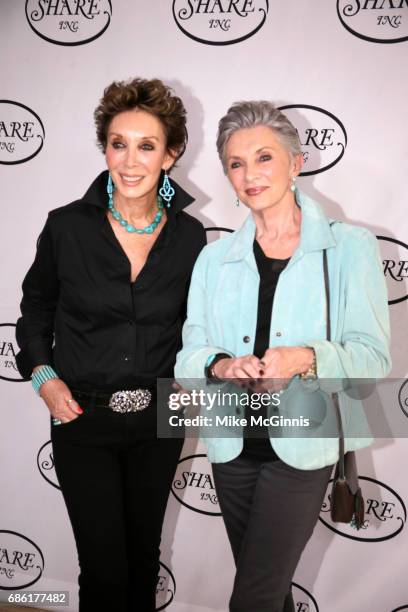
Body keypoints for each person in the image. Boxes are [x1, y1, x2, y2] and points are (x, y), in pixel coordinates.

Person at [175, 101, 391, 612]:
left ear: (295, 163)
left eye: (264, 157)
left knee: (252, 598)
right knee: (268, 591)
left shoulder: (349, 247)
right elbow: (188, 356)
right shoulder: (213, 258)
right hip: (230, 447)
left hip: (303, 447)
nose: (250, 174)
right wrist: (220, 365)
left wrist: (306, 357)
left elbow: (373, 356)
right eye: (235, 163)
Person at [16, 77, 206, 612]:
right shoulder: (66, 228)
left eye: (147, 146)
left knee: (143, 559)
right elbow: (34, 314)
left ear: (170, 156)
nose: (129, 160)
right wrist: (44, 379)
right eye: (118, 143)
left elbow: (196, 327)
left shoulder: (191, 237)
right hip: (81, 420)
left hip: (160, 422)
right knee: (102, 567)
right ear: (105, 147)